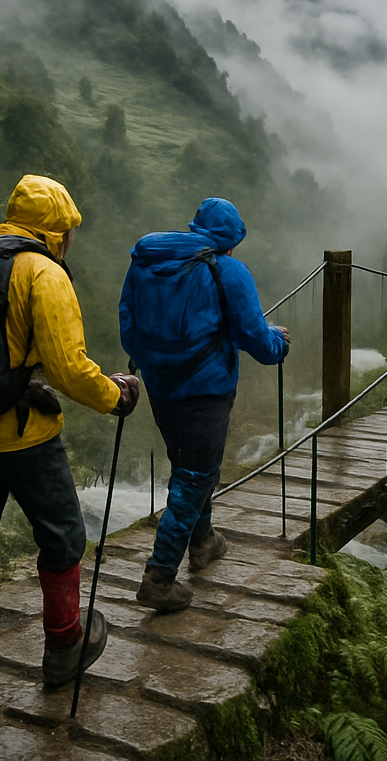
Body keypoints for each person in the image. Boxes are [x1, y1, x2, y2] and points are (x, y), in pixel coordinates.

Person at [0, 174, 139, 740]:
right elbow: (67, 367)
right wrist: (117, 396)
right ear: (56, 233)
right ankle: (65, 646)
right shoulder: (43, 273)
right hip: (26, 436)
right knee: (62, 536)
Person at [118, 197, 289, 611]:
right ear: (233, 240)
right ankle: (160, 575)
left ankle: (203, 541)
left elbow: (128, 323)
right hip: (207, 391)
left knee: (190, 468)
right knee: (195, 476)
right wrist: (278, 341)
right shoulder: (228, 269)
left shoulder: (146, 263)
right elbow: (255, 339)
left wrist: (157, 364)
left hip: (161, 387)